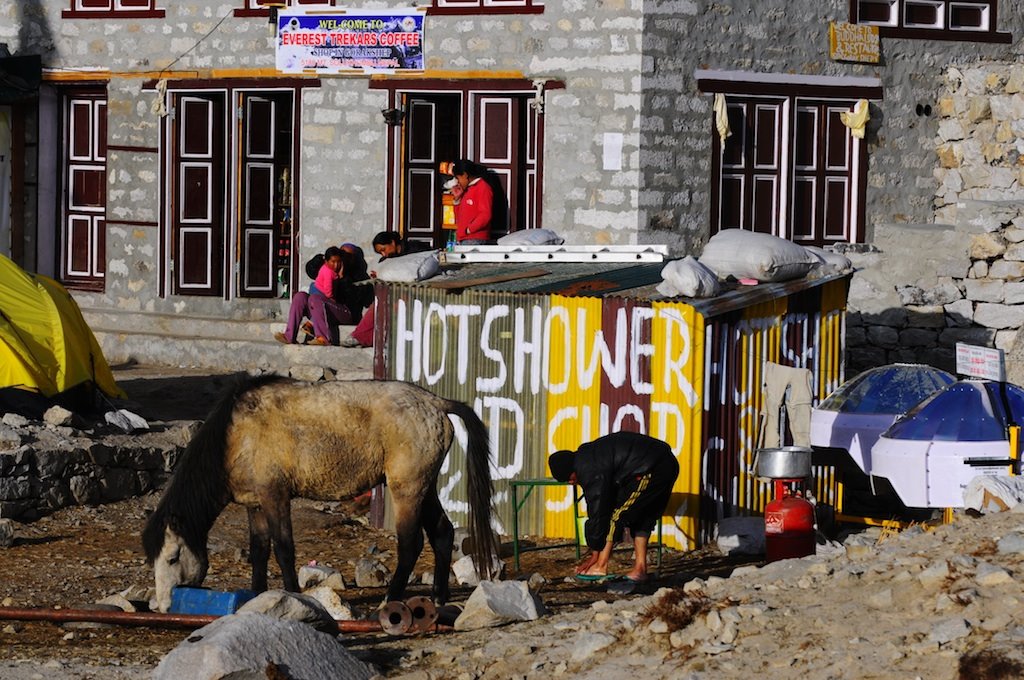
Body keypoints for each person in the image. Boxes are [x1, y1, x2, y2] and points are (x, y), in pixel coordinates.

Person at [547, 431, 679, 583]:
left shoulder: (588, 468)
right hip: (663, 463)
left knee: (616, 514)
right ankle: (640, 570)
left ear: (572, 471)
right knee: (643, 516)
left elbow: (599, 511)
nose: (571, 483)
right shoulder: (588, 456)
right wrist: (595, 551)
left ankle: (600, 566)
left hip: (651, 467)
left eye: (569, 479)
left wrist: (595, 554)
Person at [339, 231, 432, 348]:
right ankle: (359, 335)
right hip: (394, 293)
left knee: (396, 305)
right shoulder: (387, 260)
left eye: (384, 249)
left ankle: (365, 338)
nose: (384, 254)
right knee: (379, 304)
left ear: (392, 243)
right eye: (380, 252)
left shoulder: (416, 249)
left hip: (416, 293)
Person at [274, 246, 344, 346]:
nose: (336, 265)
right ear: (326, 261)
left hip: (339, 311)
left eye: (339, 262)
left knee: (315, 299)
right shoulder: (328, 273)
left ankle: (323, 337)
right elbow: (329, 293)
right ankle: (289, 335)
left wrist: (340, 278)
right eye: (333, 262)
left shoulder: (342, 274)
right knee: (300, 296)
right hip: (321, 307)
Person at [451, 159, 495, 245]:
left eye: (458, 178)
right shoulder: (466, 190)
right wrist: (457, 199)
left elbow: (486, 214)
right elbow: (459, 217)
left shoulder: (483, 188)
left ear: (465, 175)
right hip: (463, 238)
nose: (457, 182)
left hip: (475, 239)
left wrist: (469, 229)